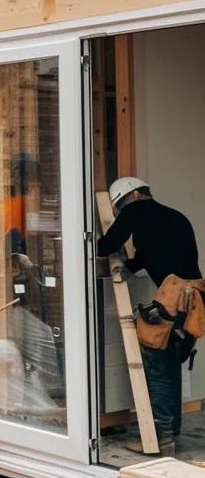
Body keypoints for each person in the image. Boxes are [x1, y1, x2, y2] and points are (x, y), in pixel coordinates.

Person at [99, 176, 203, 455]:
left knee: (156, 368)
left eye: (119, 208)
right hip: (194, 300)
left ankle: (159, 440)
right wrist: (127, 265)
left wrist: (99, 248)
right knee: (170, 364)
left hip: (173, 298)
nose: (121, 214)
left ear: (132, 197)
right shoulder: (174, 217)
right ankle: (172, 433)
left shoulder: (135, 210)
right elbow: (146, 256)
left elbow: (106, 244)